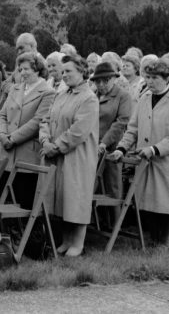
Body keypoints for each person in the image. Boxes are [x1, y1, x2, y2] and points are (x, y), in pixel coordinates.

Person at [39, 54, 99, 257]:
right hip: (55, 155)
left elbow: (78, 131)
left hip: (76, 157)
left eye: (68, 71)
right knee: (61, 199)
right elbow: (45, 119)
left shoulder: (89, 98)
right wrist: (45, 140)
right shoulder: (60, 94)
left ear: (82, 72)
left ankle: (78, 243)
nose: (64, 75)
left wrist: (55, 146)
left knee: (76, 198)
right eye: (62, 71)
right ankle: (65, 241)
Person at [110, 59, 169, 246]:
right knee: (147, 201)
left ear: (166, 79)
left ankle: (163, 241)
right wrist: (121, 148)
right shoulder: (144, 98)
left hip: (163, 160)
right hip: (144, 160)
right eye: (148, 77)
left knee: (164, 201)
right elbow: (133, 128)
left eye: (155, 78)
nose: (150, 81)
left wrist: (154, 149)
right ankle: (153, 239)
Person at [0, 53, 55, 209]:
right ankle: (3, 232)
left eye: (27, 69)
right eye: (20, 69)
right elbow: (1, 114)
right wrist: (1, 135)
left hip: (26, 154)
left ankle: (22, 232)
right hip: (5, 152)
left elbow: (37, 122)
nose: (23, 73)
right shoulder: (15, 88)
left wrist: (12, 138)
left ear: (38, 69)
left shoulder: (48, 92)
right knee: (1, 198)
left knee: (21, 201)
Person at [91, 61, 132, 226]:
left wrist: (103, 143)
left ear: (114, 79)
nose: (101, 84)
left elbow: (121, 123)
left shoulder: (123, 96)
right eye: (97, 81)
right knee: (92, 186)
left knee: (113, 186)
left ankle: (116, 225)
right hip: (92, 147)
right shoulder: (92, 96)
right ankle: (96, 223)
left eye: (105, 80)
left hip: (112, 148)